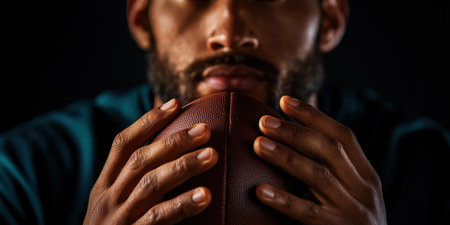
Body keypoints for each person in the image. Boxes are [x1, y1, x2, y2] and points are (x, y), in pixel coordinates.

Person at [1, 0, 449, 224]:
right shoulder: (22, 170)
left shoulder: (434, 168)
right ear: (143, 21)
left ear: (328, 21)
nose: (230, 32)